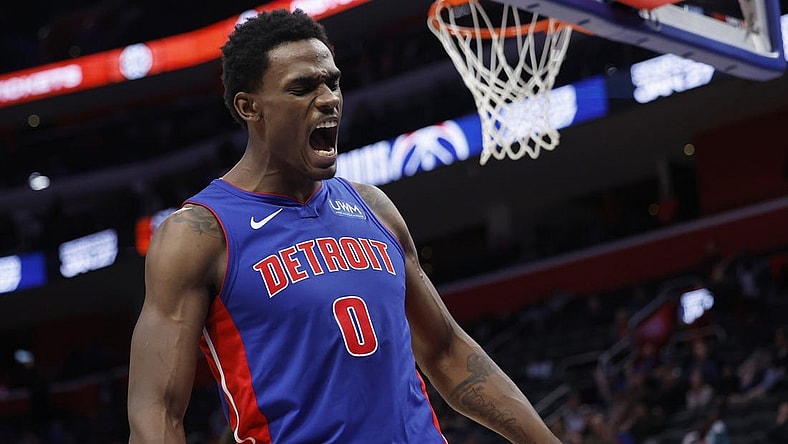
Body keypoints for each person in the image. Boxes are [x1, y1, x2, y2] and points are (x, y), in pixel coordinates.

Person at [127, 8, 559, 444]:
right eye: (302, 87)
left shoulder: (373, 207)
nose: (329, 98)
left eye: (332, 81)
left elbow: (446, 350)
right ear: (248, 107)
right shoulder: (200, 234)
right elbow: (156, 412)